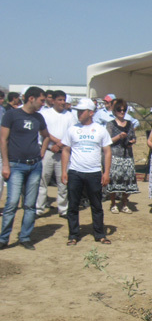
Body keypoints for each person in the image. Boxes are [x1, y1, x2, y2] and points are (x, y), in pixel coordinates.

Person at [0, 87, 50, 250]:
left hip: (34, 165)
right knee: (12, 203)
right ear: (31, 99)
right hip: (16, 165)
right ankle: (4, 238)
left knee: (30, 204)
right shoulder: (11, 115)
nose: (43, 103)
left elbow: (46, 135)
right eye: (41, 100)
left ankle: (25, 237)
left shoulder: (38, 117)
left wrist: (42, 152)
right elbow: (3, 139)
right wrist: (6, 164)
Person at [61, 98, 112, 246]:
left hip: (94, 172)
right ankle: (73, 234)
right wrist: (64, 171)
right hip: (75, 171)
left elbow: (107, 152)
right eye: (77, 111)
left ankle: (99, 234)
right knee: (73, 205)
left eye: (82, 111)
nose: (79, 114)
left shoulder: (100, 130)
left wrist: (106, 172)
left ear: (91, 112)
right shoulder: (72, 129)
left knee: (96, 205)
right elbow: (66, 150)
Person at [36, 90, 74, 218]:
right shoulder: (44, 114)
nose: (62, 102)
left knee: (63, 181)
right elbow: (43, 132)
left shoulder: (69, 116)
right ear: (53, 101)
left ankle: (63, 209)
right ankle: (39, 208)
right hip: (47, 151)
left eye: (64, 100)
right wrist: (56, 142)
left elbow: (71, 134)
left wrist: (60, 145)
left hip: (63, 152)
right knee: (42, 180)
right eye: (60, 100)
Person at [106, 98, 139, 214]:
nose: (122, 112)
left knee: (127, 181)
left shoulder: (129, 124)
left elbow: (133, 136)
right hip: (115, 155)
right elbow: (107, 141)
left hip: (127, 156)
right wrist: (119, 137)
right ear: (115, 111)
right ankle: (113, 203)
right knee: (114, 180)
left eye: (124, 110)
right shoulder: (110, 124)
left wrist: (132, 141)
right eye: (119, 110)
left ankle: (124, 203)